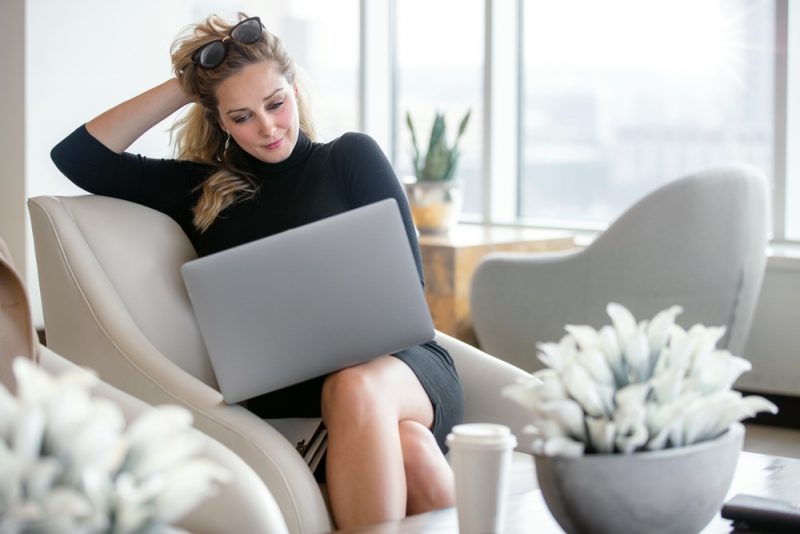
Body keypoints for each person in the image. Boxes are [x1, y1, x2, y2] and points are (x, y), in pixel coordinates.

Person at [50, 13, 464, 530]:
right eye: (242, 115)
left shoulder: (349, 158)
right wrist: (187, 85)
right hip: (293, 394)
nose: (267, 127)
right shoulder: (201, 189)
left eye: (275, 103)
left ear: (294, 87)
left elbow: (408, 290)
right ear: (219, 120)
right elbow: (78, 156)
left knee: (355, 388)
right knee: (414, 455)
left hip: (401, 370)